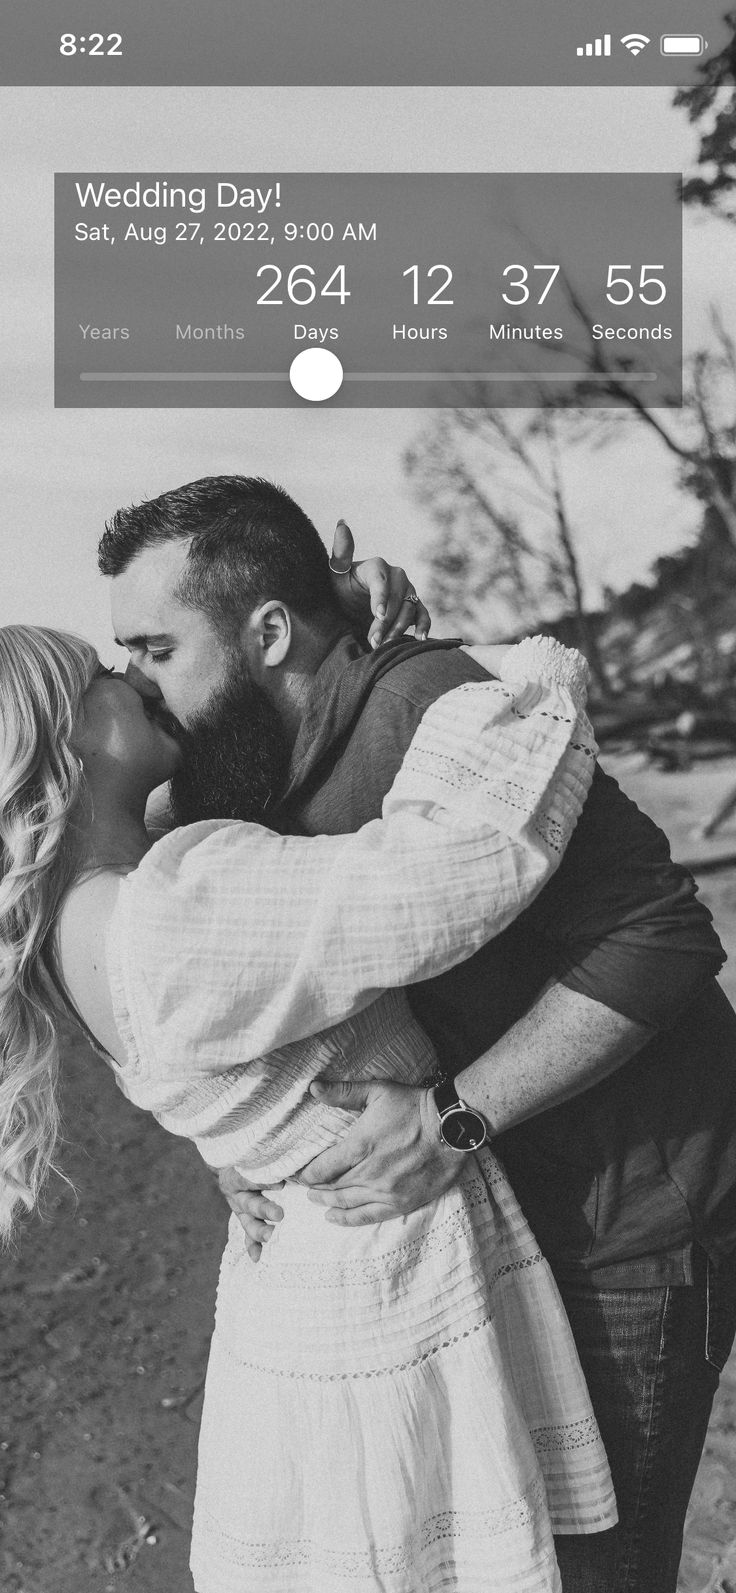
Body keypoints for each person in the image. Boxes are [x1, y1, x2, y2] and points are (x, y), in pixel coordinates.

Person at [100, 474, 736, 1593]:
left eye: (156, 650)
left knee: (593, 1570)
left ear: (267, 632)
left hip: (623, 1226)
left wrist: (452, 1121)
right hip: (491, 1227)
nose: (139, 686)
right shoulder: (241, 763)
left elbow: (663, 935)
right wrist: (235, 1150)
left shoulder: (436, 710)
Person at [0, 622, 614, 1591]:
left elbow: (224, 1067)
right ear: (63, 735)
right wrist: (536, 675)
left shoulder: (81, 923)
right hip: (381, 1261)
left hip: (305, 1264)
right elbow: (450, 871)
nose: (130, 673)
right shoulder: (170, 902)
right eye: (101, 670)